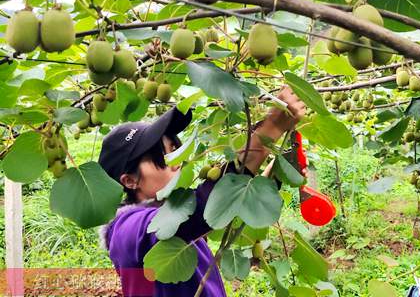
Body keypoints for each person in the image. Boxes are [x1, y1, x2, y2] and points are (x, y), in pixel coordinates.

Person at [98, 86, 305, 297]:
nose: (177, 162)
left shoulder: (173, 210)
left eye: (175, 150)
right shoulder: (126, 229)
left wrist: (276, 172)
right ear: (130, 181)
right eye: (164, 156)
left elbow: (225, 206)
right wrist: (269, 129)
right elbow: (204, 209)